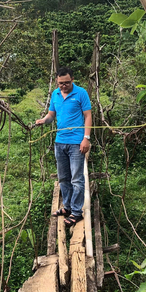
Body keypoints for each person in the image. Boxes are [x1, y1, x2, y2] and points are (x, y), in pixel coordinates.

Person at [35, 66, 92, 228]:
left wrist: (86, 139)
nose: (64, 86)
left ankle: (76, 212)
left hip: (76, 142)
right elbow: (51, 115)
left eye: (66, 83)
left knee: (77, 178)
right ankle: (67, 207)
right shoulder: (55, 94)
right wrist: (43, 121)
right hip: (60, 142)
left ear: (72, 80)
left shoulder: (81, 93)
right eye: (61, 83)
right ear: (57, 82)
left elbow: (88, 116)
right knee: (63, 178)